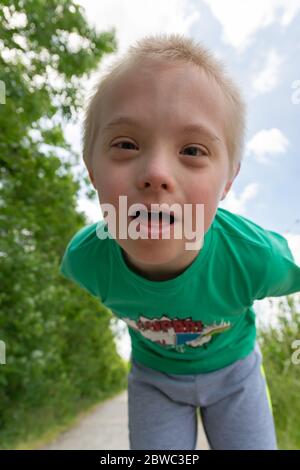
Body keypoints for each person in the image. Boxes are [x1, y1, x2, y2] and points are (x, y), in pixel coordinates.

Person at [59, 33, 300, 450]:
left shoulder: (254, 256)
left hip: (235, 377)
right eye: (126, 144)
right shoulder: (87, 261)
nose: (156, 172)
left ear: (228, 182)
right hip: (155, 382)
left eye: (191, 149)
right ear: (93, 171)